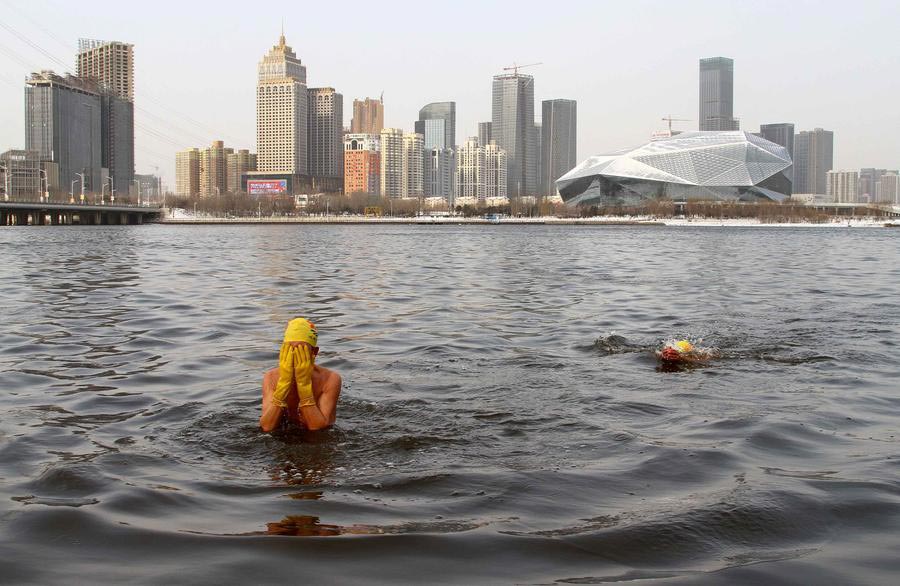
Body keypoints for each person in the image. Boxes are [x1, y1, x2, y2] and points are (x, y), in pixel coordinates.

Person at [260, 318, 342, 433]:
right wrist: (283, 385)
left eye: (300, 350)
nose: (294, 355)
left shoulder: (330, 379)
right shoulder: (271, 377)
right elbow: (267, 427)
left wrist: (304, 387)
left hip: (316, 439)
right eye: (290, 349)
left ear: (314, 352)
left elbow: (318, 429)